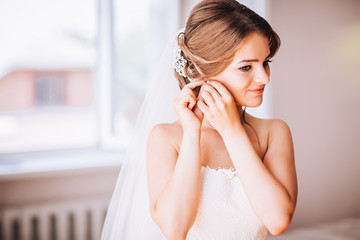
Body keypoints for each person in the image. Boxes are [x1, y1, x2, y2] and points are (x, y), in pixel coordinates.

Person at [101, 0, 297, 239]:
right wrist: (192, 132)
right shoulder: (166, 138)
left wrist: (232, 130)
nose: (264, 77)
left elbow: (278, 221)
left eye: (265, 62)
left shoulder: (274, 133)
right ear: (203, 73)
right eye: (247, 67)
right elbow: (175, 229)